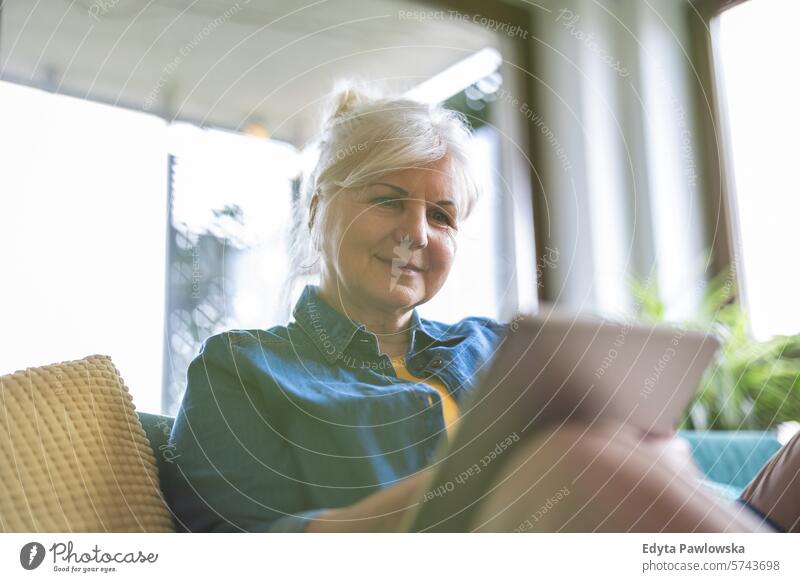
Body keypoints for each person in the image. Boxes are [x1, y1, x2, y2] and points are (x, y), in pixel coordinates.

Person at [165, 83, 799, 533]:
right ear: (315, 209)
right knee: (563, 458)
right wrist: (488, 477)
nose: (417, 233)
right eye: (388, 201)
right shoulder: (241, 371)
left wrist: (646, 447)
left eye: (441, 216)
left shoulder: (496, 345)